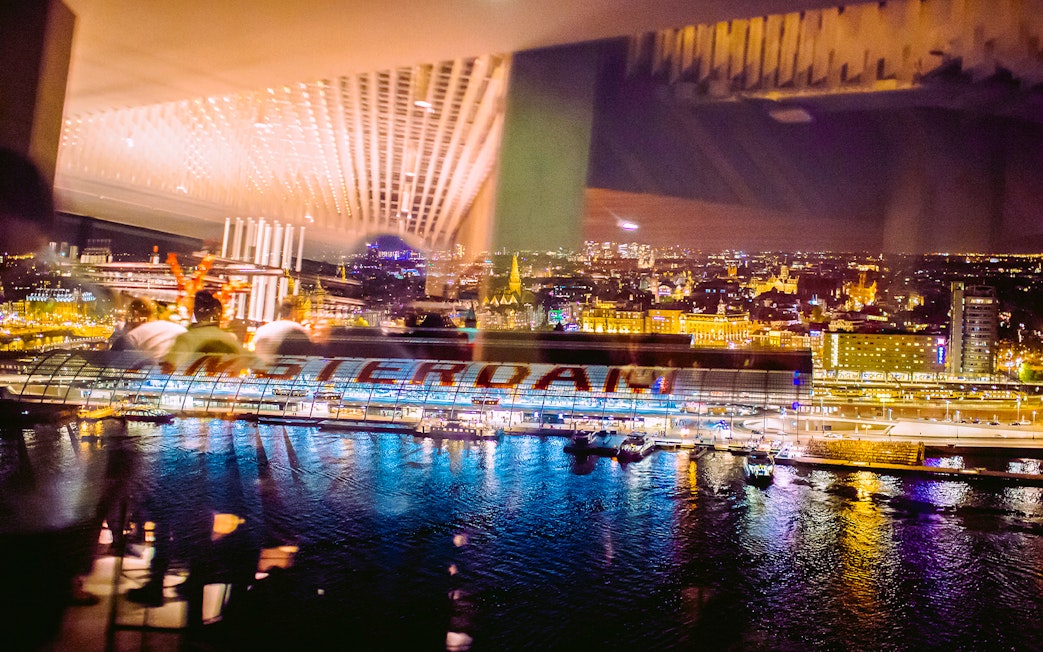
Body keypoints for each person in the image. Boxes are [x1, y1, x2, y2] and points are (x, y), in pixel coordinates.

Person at [163, 290, 245, 370]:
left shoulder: (187, 338)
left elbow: (169, 368)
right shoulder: (230, 340)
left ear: (196, 313)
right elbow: (248, 363)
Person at [109, 297, 186, 361]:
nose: (127, 325)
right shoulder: (174, 327)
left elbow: (109, 363)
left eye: (127, 319)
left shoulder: (133, 336)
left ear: (136, 315)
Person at [251, 295, 313, 362]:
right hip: (285, 369)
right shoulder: (298, 329)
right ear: (294, 311)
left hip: (261, 368)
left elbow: (254, 349)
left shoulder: (263, 329)